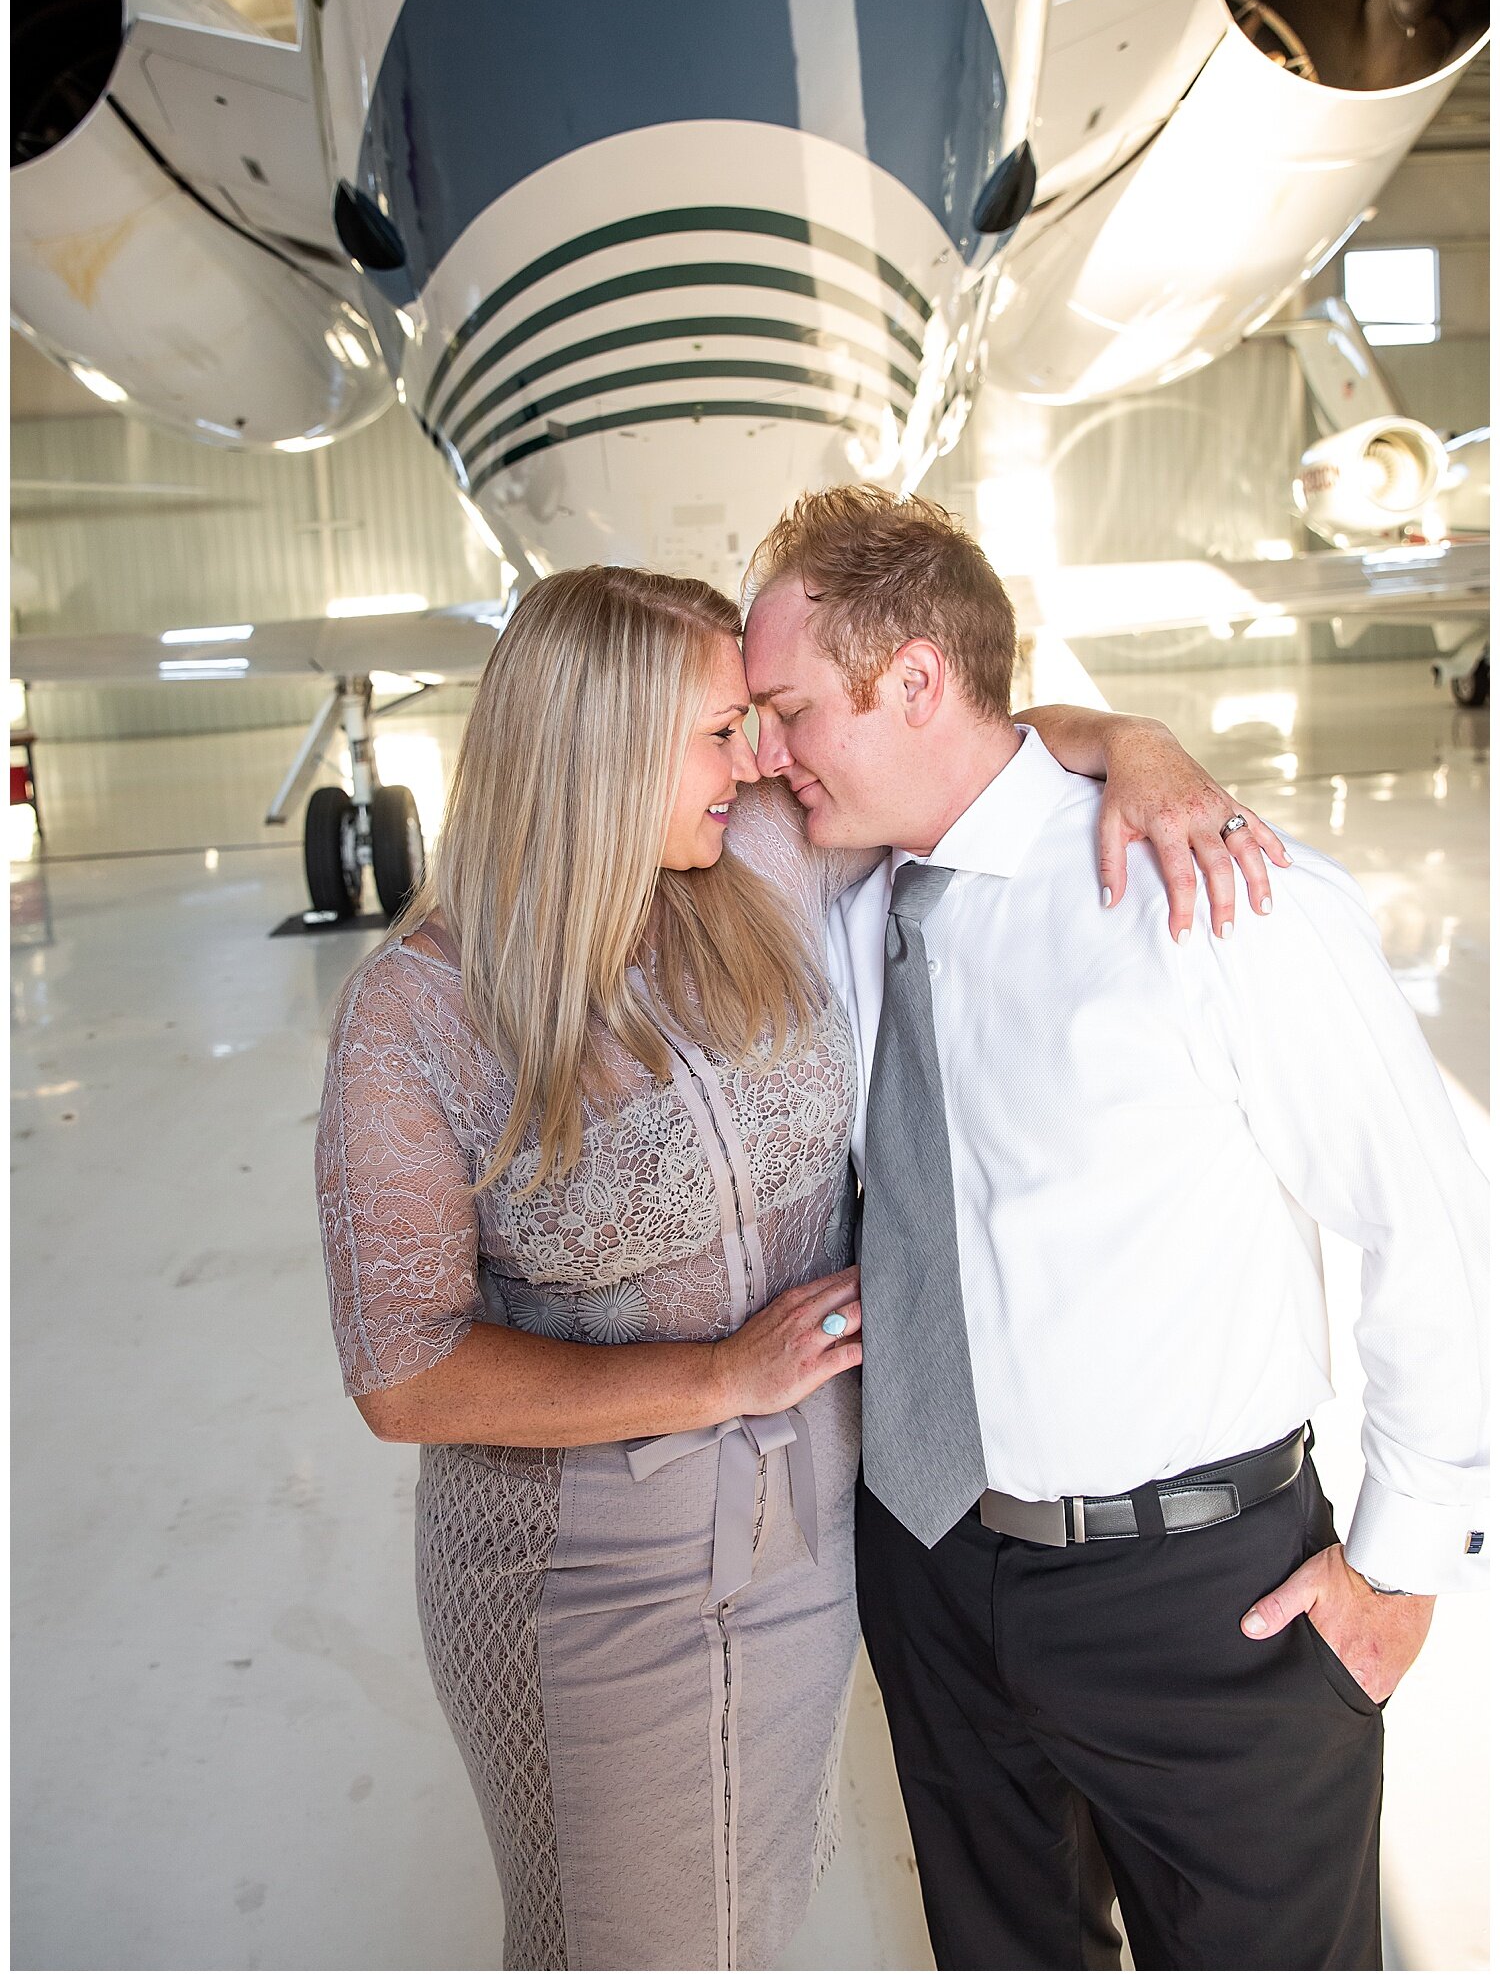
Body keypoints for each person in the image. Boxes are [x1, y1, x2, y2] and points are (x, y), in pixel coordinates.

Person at [315, 562, 1276, 1971]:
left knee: (748, 1914)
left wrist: (1134, 745)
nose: (762, 756)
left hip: (810, 1548)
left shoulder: (750, 862)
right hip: (587, 1579)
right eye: (723, 730)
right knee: (629, 1940)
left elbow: (961, 753)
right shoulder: (420, 1013)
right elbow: (402, 1373)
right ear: (601, 746)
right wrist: (716, 1375)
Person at [742, 485, 1488, 1974]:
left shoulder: (1210, 893)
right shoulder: (843, 888)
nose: (765, 752)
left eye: (789, 709)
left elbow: (1438, 1223)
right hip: (931, 1567)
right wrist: (1108, 727)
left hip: (1203, 1603)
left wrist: (1403, 1568)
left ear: (913, 683)